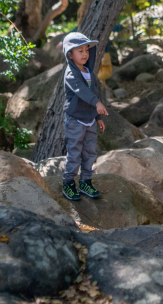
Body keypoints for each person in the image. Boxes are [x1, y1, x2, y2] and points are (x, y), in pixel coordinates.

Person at [61, 32, 108, 201]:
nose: (85, 54)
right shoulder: (71, 74)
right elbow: (82, 91)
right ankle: (68, 183)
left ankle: (86, 181)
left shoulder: (89, 72)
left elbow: (93, 92)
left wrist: (98, 117)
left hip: (90, 119)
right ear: (70, 54)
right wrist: (97, 103)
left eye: (86, 50)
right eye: (79, 51)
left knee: (89, 152)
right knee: (74, 152)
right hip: (75, 120)